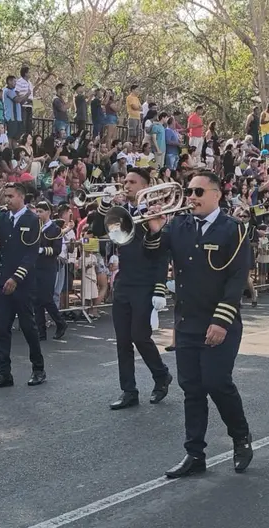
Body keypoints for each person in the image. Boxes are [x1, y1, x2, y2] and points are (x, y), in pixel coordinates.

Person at [143, 171, 253, 477]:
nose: (191, 197)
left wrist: (221, 321)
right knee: (191, 388)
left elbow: (236, 280)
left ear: (216, 194)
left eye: (198, 192)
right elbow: (153, 255)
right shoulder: (178, 225)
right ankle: (195, 454)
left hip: (220, 321)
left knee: (217, 382)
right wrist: (153, 230)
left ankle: (240, 437)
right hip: (188, 322)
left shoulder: (234, 229)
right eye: (189, 192)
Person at [91, 167, 172, 410]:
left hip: (146, 284)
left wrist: (160, 288)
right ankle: (129, 390)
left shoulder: (155, 212)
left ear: (146, 186)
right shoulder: (121, 212)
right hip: (125, 281)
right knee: (123, 340)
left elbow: (161, 254)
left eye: (132, 182)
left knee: (140, 336)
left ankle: (161, 375)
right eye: (125, 181)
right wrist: (105, 204)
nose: (126, 185)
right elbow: (96, 232)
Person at [0, 182, 46, 388]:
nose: (6, 200)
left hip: (23, 282)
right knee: (2, 327)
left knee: (28, 327)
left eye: (10, 196)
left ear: (21, 197)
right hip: (3, 279)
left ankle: (38, 369)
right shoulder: (2, 217)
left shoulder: (32, 219)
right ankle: (4, 373)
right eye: (5, 196)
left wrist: (16, 278)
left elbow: (31, 254)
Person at [33, 201, 67, 341]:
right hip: (35, 267)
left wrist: (42, 250)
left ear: (48, 212)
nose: (38, 214)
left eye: (41, 211)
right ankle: (41, 331)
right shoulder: (35, 227)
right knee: (36, 300)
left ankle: (60, 323)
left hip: (48, 267)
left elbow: (57, 250)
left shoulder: (55, 229)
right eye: (37, 211)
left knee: (46, 298)